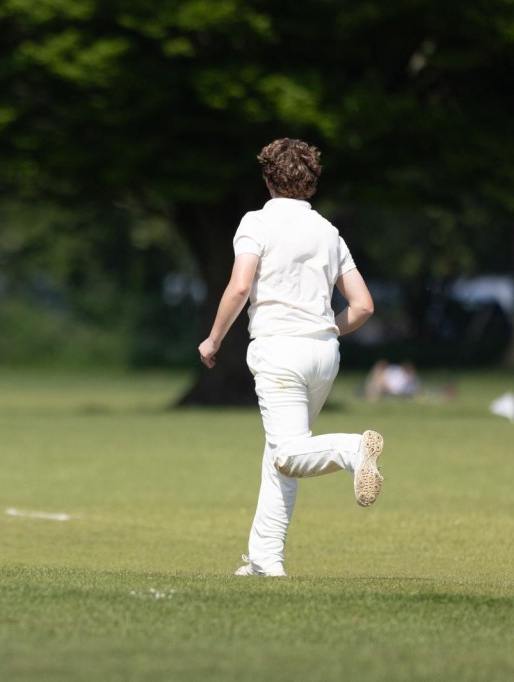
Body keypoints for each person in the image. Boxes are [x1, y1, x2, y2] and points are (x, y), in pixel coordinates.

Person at [198, 138, 384, 577]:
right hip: (323, 353)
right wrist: (326, 329)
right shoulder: (328, 231)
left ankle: (352, 449)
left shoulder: (256, 222)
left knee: (287, 455)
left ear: (267, 178)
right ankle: (265, 560)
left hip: (279, 350)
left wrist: (213, 339)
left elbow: (240, 287)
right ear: (312, 183)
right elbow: (363, 306)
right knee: (281, 453)